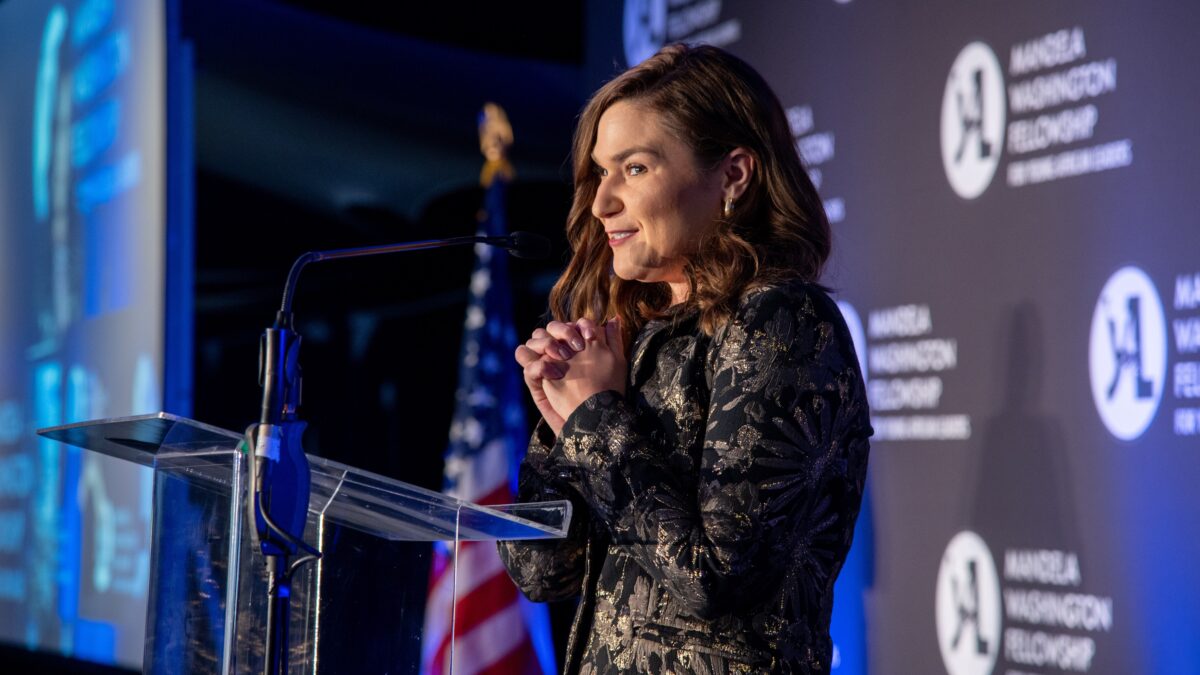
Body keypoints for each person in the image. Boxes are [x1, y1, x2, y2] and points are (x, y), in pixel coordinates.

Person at [499, 43, 872, 675]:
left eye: (635, 169)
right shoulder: (637, 334)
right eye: (599, 173)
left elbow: (716, 578)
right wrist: (559, 416)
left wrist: (594, 416)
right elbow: (539, 570)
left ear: (733, 176)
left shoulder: (783, 321)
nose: (600, 203)